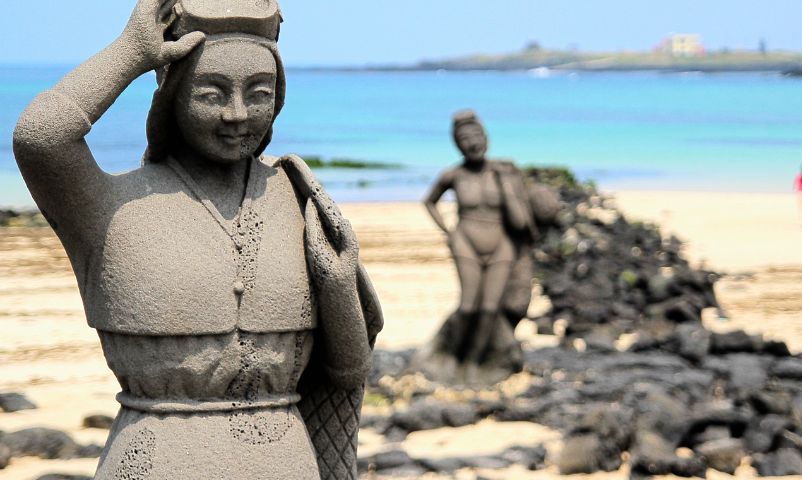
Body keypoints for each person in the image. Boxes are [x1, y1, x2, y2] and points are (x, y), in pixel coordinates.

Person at [12, 1, 381, 478]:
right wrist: (130, 53)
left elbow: (347, 371)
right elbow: (42, 136)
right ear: (174, 94)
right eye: (211, 93)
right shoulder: (112, 209)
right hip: (156, 456)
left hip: (284, 457)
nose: (237, 114)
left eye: (259, 93)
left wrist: (337, 287)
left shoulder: (296, 199)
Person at [421, 110, 536, 384]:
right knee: (469, 305)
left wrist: (506, 184)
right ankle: (452, 357)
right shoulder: (455, 175)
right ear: (457, 144)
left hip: (501, 246)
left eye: (477, 136)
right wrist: (448, 231)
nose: (472, 143)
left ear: (486, 138)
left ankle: (474, 362)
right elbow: (429, 201)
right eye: (464, 138)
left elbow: (520, 222)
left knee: (489, 308)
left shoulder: (503, 173)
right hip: (466, 241)